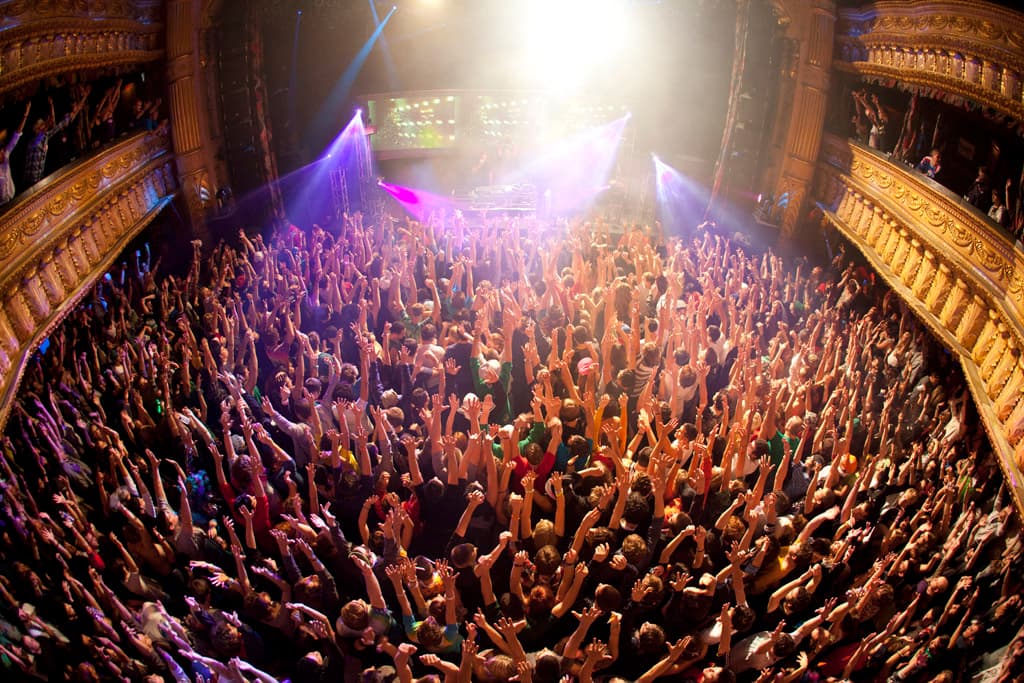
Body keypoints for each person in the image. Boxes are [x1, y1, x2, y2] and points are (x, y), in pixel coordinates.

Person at [24, 91, 88, 187]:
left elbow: (62, 122)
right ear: (34, 129)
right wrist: (47, 124)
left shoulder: (45, 136)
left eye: (42, 125)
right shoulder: (32, 142)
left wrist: (84, 97)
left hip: (39, 179)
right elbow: (38, 139)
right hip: (28, 184)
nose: (42, 127)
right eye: (40, 126)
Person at [0, 101, 30, 206]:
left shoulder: (6, 156)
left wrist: (25, 115)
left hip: (12, 197)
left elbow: (16, 136)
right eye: (1, 152)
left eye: (3, 151)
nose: (4, 153)